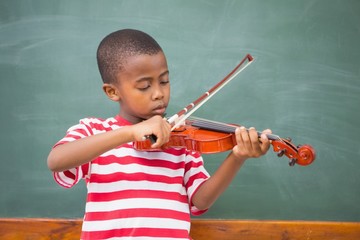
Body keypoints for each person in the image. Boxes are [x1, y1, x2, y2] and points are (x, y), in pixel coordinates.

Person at [47, 29, 272, 240]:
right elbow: (56, 161)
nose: (159, 93)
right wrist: (129, 133)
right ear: (113, 91)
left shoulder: (181, 141)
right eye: (145, 86)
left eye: (164, 81)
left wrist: (238, 156)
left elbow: (200, 201)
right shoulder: (94, 132)